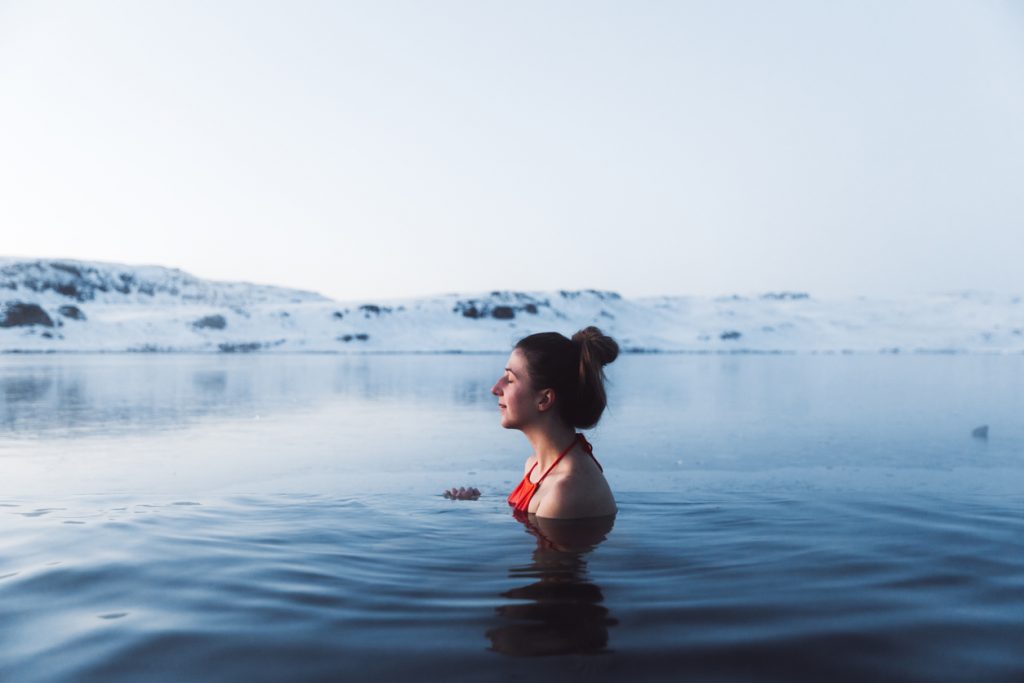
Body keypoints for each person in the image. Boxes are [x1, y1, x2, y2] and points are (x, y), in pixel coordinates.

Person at [493, 326, 619, 520]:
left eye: (510, 379)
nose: (495, 388)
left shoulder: (565, 490)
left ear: (544, 400)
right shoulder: (534, 467)